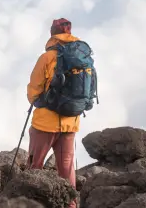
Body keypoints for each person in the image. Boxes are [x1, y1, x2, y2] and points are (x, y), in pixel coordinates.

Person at [26, 18, 95, 208]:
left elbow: (34, 89)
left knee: (35, 167)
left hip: (45, 124)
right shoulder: (83, 58)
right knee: (66, 169)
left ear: (52, 34)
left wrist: (37, 101)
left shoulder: (47, 58)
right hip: (71, 122)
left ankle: (30, 203)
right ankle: (71, 204)